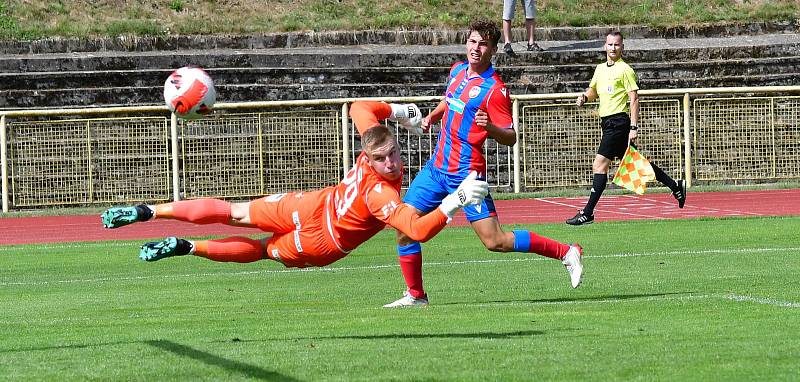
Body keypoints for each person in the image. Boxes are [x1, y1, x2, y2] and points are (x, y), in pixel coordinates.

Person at [100, 101, 489, 270]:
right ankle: (164, 225)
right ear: (368, 156)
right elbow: (417, 229)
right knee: (257, 244)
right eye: (381, 158)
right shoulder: (381, 193)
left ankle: (164, 224)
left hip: (317, 210)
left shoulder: (371, 144)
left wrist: (400, 114)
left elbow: (359, 109)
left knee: (245, 224)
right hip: (322, 234)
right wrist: (455, 200)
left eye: (393, 155)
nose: (390, 162)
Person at [384, 19, 583, 308]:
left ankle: (567, 252)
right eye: (473, 42)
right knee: (403, 227)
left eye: (483, 44)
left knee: (495, 241)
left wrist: (490, 127)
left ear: (493, 49)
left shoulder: (495, 90)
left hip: (466, 175)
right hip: (436, 170)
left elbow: (511, 137)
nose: (476, 48)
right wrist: (431, 117)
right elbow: (449, 100)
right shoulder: (457, 71)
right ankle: (416, 295)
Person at [568, 31, 687, 226]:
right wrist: (584, 97)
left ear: (622, 47)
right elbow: (594, 90)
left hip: (619, 123)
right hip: (607, 124)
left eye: (616, 45)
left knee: (599, 165)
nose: (613, 48)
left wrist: (633, 126)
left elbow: (634, 99)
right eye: (610, 44)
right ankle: (676, 186)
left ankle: (588, 213)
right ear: (604, 46)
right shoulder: (599, 69)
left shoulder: (625, 69)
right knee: (637, 164)